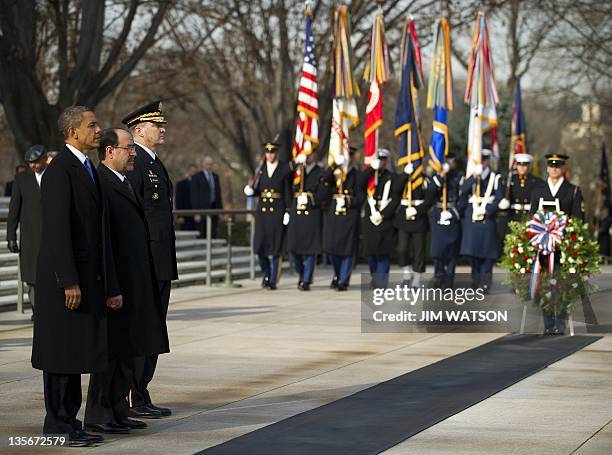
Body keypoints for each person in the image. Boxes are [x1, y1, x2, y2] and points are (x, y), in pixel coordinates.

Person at [31, 106, 111, 447]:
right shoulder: (59, 171)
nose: (98, 129)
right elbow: (57, 231)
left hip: (83, 277)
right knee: (61, 354)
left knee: (76, 352)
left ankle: (70, 421)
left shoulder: (86, 167)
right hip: (64, 281)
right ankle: (57, 425)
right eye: (91, 125)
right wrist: (68, 280)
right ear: (72, 132)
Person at [84, 128, 170, 434]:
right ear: (110, 152)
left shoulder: (122, 181)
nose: (133, 153)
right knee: (110, 354)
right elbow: (104, 242)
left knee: (127, 351)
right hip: (117, 284)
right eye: (128, 148)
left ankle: (118, 409)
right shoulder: (101, 183)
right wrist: (112, 287)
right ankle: (99, 412)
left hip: (134, 281)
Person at [123, 100, 177, 418]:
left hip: (160, 259)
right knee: (144, 328)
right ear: (140, 130)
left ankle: (141, 390)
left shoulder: (155, 162)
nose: (164, 129)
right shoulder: (138, 163)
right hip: (147, 259)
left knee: (155, 328)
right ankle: (133, 393)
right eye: (158, 126)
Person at [529, 153, 584, 335]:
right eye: (551, 166)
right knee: (545, 284)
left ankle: (560, 322)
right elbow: (532, 218)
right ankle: (548, 322)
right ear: (547, 169)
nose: (554, 169)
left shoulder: (572, 191)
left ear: (563, 169)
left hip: (562, 247)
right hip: (542, 247)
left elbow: (577, 218)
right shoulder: (538, 190)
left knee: (560, 284)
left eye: (558, 166)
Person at [7, 145, 48, 320]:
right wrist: (11, 237)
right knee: (32, 277)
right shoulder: (21, 179)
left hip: (51, 236)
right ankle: (36, 310)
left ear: (44, 159)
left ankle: (50, 311)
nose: (32, 165)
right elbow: (14, 209)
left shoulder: (56, 175)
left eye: (35, 162)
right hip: (31, 238)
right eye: (30, 163)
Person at [244, 141, 292, 290]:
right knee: (259, 246)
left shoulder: (284, 168)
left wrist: (288, 211)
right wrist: (251, 192)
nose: (270, 155)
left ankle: (273, 280)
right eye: (268, 152)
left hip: (277, 211)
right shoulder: (261, 169)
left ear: (276, 153)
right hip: (263, 212)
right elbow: (259, 189)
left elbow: (287, 192)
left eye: (272, 152)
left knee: (277, 247)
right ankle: (266, 273)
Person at [459, 149, 503, 292]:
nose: (483, 162)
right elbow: (463, 190)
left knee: (487, 254)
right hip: (472, 218)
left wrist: (487, 210)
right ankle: (475, 279)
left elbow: (498, 199)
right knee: (473, 253)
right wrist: (473, 177)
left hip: (486, 218)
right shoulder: (470, 177)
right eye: (481, 159)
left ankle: (485, 282)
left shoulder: (495, 178)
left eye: (485, 159)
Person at [323, 147, 364, 291]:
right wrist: (335, 165)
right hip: (334, 215)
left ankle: (343, 280)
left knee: (347, 249)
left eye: (350, 156)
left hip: (349, 216)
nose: (348, 158)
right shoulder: (335, 174)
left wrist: (348, 202)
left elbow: (360, 198)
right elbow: (323, 180)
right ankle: (337, 274)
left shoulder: (357, 175)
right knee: (333, 249)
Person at [360, 148, 399, 288]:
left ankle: (381, 282)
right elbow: (360, 184)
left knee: (383, 252)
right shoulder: (370, 175)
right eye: (379, 159)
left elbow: (395, 199)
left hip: (384, 218)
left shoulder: (391, 176)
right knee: (371, 253)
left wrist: (383, 214)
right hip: (370, 216)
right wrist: (371, 169)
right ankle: (375, 277)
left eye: (383, 160)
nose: (381, 162)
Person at [287, 152, 327, 291]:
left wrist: (310, 198)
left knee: (310, 250)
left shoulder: (320, 173)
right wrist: (295, 163)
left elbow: (324, 194)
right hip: (297, 214)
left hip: (311, 214)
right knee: (293, 248)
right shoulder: (297, 171)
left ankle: (306, 279)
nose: (308, 157)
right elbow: (285, 178)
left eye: (310, 154)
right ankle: (301, 273)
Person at [393, 160, 434, 288]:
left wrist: (417, 210)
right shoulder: (403, 178)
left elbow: (429, 200)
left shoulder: (425, 180)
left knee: (419, 251)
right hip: (404, 217)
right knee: (402, 248)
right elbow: (396, 190)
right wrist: (405, 175)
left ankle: (417, 278)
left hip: (419, 218)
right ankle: (406, 273)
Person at [429, 154, 463, 289]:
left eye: (452, 161)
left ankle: (449, 279)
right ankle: (439, 276)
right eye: (447, 161)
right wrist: (440, 176)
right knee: (438, 250)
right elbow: (430, 191)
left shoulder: (459, 177)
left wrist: (453, 213)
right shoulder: (438, 176)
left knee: (452, 251)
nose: (449, 164)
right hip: (439, 213)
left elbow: (463, 198)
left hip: (452, 214)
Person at [499, 153, 544, 222]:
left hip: (529, 215)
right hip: (513, 215)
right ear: (516, 166)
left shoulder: (536, 181)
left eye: (525, 165)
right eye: (519, 165)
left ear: (529, 166)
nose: (522, 167)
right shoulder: (509, 180)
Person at [191, 156, 223, 238]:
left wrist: (220, 211)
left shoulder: (215, 177)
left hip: (214, 208)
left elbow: (218, 194)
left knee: (213, 233)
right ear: (203, 164)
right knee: (202, 233)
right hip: (201, 210)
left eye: (210, 164)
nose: (209, 166)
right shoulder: (196, 177)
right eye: (207, 164)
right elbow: (194, 196)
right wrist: (196, 212)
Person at [175, 164, 198, 231]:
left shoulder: (200, 185)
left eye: (195, 172)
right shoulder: (181, 184)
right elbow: (178, 201)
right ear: (188, 171)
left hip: (197, 215)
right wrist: (180, 216)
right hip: (185, 216)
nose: (194, 173)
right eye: (192, 171)